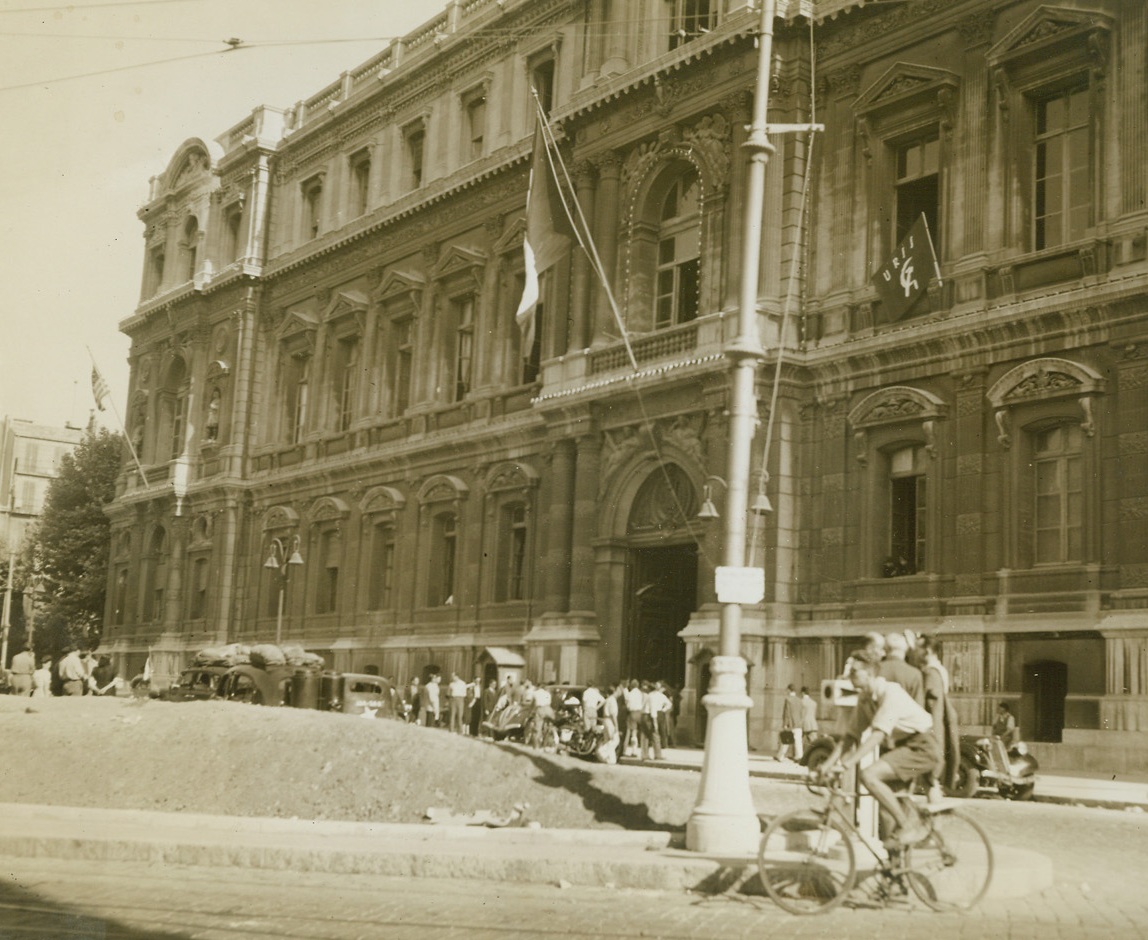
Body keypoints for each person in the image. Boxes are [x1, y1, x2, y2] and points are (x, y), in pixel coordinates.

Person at [823, 650, 942, 847]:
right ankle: (895, 870)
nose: (849, 675)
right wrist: (827, 764)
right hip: (904, 747)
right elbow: (851, 736)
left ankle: (909, 826)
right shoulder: (864, 697)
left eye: (854, 672)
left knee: (869, 776)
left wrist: (846, 765)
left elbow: (877, 735)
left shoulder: (891, 693)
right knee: (887, 815)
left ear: (869, 674)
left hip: (923, 746)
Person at [916, 636, 960, 802]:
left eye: (917, 649)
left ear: (926, 651)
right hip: (936, 730)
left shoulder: (930, 673)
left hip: (930, 731)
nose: (915, 652)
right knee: (930, 783)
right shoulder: (939, 670)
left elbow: (927, 704)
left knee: (930, 781)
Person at [880, 632, 925, 706]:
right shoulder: (914, 674)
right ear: (905, 649)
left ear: (886, 649)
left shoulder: (874, 670)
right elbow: (919, 707)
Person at [641, 681, 667, 761]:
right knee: (655, 735)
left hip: (644, 715)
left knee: (645, 736)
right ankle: (657, 754)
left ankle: (645, 755)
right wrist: (655, 722)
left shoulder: (649, 695)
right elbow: (653, 709)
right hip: (649, 716)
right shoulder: (654, 696)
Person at [776, 684, 801, 761]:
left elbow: (786, 713)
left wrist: (785, 724)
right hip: (798, 723)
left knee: (786, 740)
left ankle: (780, 756)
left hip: (790, 723)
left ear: (789, 690)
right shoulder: (799, 700)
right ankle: (799, 756)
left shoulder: (788, 699)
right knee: (798, 741)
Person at [622, 679, 644, 758]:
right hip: (639, 712)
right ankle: (634, 750)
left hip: (632, 713)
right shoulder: (640, 693)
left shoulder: (630, 694)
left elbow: (627, 703)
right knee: (635, 732)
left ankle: (624, 750)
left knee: (628, 732)